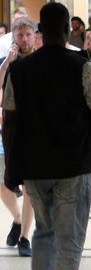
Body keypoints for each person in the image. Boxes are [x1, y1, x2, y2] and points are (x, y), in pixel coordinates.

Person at [1, 2, 91, 269]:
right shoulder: (82, 67)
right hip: (73, 167)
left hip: (35, 168)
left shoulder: (19, 71)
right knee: (70, 243)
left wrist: (12, 169)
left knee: (44, 233)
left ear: (39, 30)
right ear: (66, 29)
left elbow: (10, 124)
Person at [0, 16, 37, 257]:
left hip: (34, 131)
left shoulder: (40, 61)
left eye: (27, 34)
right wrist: (7, 64)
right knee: (4, 183)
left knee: (31, 186)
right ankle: (16, 219)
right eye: (19, 35)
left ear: (35, 36)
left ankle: (25, 236)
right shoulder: (7, 62)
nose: (23, 39)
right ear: (13, 36)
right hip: (8, 130)